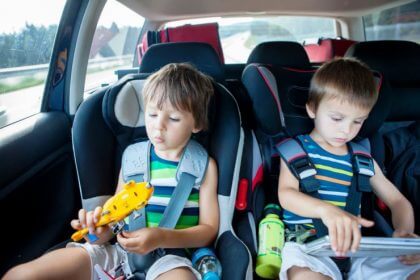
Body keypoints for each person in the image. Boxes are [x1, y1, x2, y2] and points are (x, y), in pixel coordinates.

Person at [3, 63, 219, 280]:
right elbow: (118, 218)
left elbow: (209, 230)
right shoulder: (133, 159)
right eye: (152, 114)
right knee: (20, 275)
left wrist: (162, 237)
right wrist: (99, 231)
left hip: (171, 258)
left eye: (173, 118)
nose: (158, 126)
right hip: (120, 252)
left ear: (197, 124)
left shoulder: (203, 166)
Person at [277, 58, 420, 280]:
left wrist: (404, 232)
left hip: (357, 252)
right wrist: (326, 211)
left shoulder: (363, 159)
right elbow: (286, 195)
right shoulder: (296, 152)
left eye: (358, 121)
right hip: (309, 251)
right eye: (337, 118)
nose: (346, 130)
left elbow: (398, 202)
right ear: (312, 108)